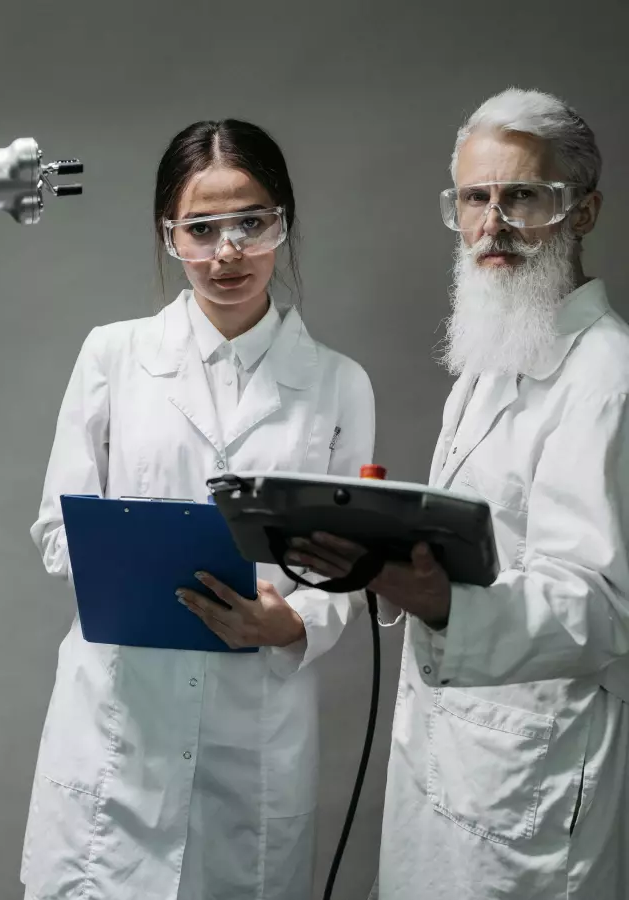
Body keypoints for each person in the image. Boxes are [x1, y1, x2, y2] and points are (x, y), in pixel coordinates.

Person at [19, 119, 376, 900]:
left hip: (253, 731)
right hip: (122, 722)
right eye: (201, 229)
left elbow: (351, 569)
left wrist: (292, 623)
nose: (228, 252)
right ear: (168, 235)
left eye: (252, 223)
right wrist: (135, 570)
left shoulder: (338, 386)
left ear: (283, 223)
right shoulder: (112, 357)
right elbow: (56, 529)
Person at [290, 88, 629, 899]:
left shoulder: (607, 380)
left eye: (523, 197)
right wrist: (380, 555)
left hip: (535, 780)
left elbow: (606, 605)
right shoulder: (490, 358)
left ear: (582, 213)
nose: (492, 223)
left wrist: (445, 605)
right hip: (452, 755)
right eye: (475, 198)